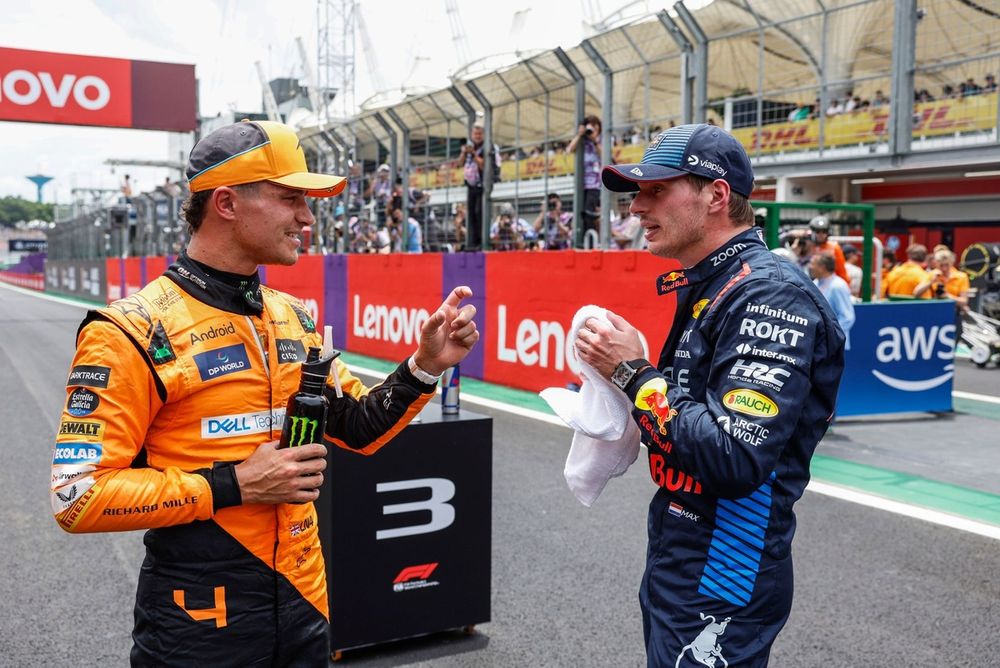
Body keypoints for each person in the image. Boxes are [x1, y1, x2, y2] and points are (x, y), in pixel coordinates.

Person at [50, 120, 480, 666]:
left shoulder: (293, 318)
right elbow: (77, 496)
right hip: (197, 623)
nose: (306, 217)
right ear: (226, 203)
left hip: (306, 607)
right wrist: (236, 484)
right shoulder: (129, 331)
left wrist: (424, 366)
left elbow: (358, 430)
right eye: (289, 198)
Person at [574, 123, 845, 667]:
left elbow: (735, 455)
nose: (636, 208)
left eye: (656, 190)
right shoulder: (716, 284)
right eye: (636, 193)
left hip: (725, 566)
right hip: (682, 551)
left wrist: (633, 373)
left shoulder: (770, 296)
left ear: (716, 195)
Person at [460, 124, 501, 251]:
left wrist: (473, 154)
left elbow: (486, 166)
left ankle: (482, 241)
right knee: (471, 213)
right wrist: (464, 153)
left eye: (479, 134)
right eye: (475, 134)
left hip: (484, 184)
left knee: (480, 212)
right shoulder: (470, 146)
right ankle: (472, 242)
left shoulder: (489, 147)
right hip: (471, 185)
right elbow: (460, 163)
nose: (477, 136)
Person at [566, 114, 604, 238]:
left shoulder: (601, 140)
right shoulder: (582, 140)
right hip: (581, 183)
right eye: (590, 125)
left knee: (589, 211)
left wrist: (594, 140)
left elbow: (605, 156)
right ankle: (581, 237)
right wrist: (580, 134)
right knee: (579, 211)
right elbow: (570, 149)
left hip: (594, 183)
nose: (592, 128)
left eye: (594, 125)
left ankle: (590, 238)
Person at [810, 252, 856, 349]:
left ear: (822, 267)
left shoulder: (838, 286)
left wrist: (830, 335)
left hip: (832, 345)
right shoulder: (815, 283)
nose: (810, 267)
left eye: (813, 264)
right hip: (818, 343)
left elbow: (847, 317)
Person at [808, 215, 850, 285]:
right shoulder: (808, 245)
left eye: (824, 231)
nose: (821, 234)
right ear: (813, 232)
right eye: (818, 231)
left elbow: (841, 271)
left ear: (828, 232)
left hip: (829, 284)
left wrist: (844, 286)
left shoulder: (834, 247)